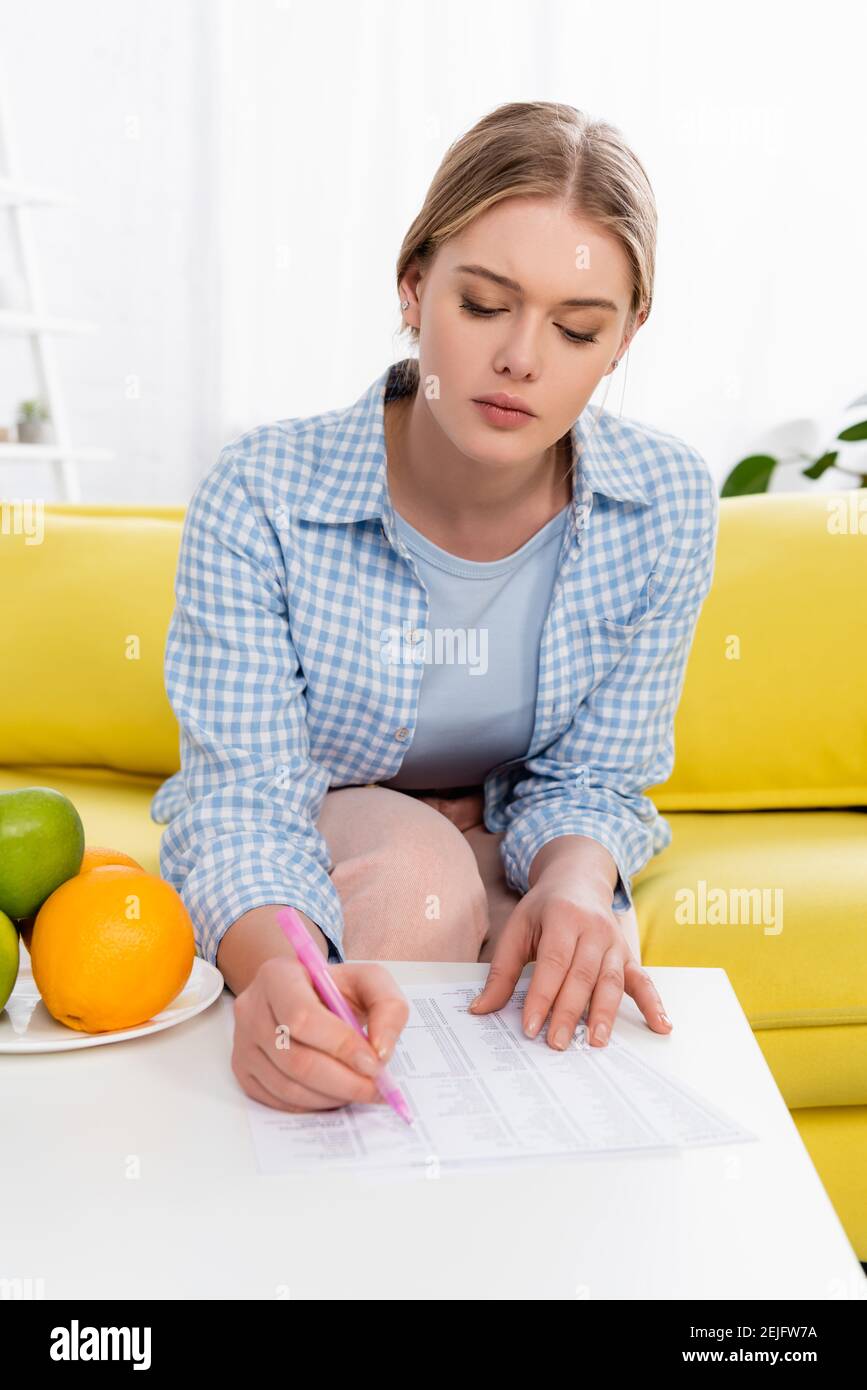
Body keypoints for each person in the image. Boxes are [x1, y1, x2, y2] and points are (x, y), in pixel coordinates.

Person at [150, 100, 719, 1115]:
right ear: (414, 289)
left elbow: (598, 778)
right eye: (485, 304)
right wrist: (276, 962)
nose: (522, 360)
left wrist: (580, 880)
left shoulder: (666, 503)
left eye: (578, 327)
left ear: (627, 337)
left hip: (516, 829)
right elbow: (242, 799)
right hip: (328, 832)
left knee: (584, 944)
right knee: (420, 884)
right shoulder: (262, 494)